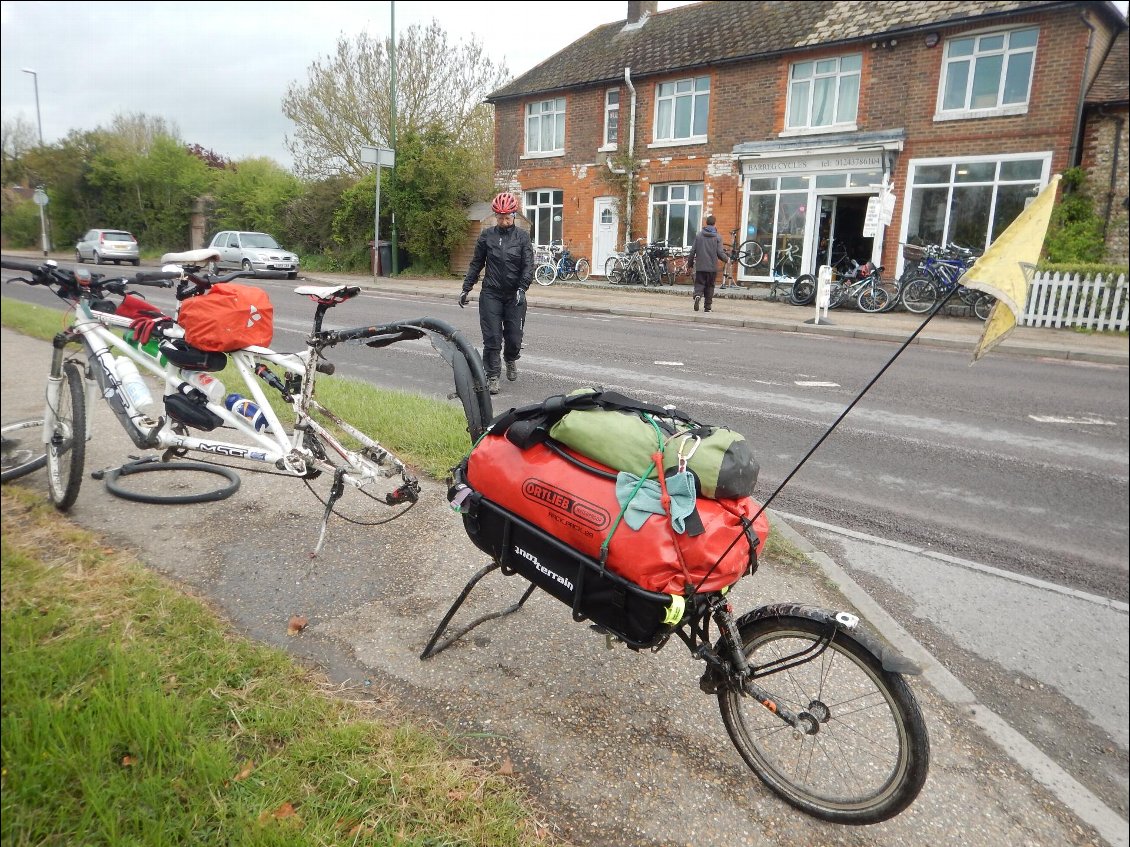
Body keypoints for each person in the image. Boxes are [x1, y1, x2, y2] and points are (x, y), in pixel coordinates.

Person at [460, 192, 534, 395]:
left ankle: (510, 358)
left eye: (507, 217)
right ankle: (493, 376)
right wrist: (466, 287)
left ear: (514, 216)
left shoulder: (522, 238)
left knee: (514, 338)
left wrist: (522, 288)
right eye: (499, 217)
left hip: (514, 295)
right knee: (492, 338)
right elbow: (477, 263)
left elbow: (528, 266)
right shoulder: (487, 236)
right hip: (491, 294)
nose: (503, 221)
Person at [686, 214, 730, 312]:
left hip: (700, 266)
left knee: (699, 283)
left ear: (706, 223)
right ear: (714, 223)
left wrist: (690, 265)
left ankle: (697, 295)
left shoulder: (699, 235)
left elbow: (692, 251)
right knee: (710, 286)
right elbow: (720, 253)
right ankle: (707, 308)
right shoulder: (718, 237)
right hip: (712, 267)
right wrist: (727, 259)